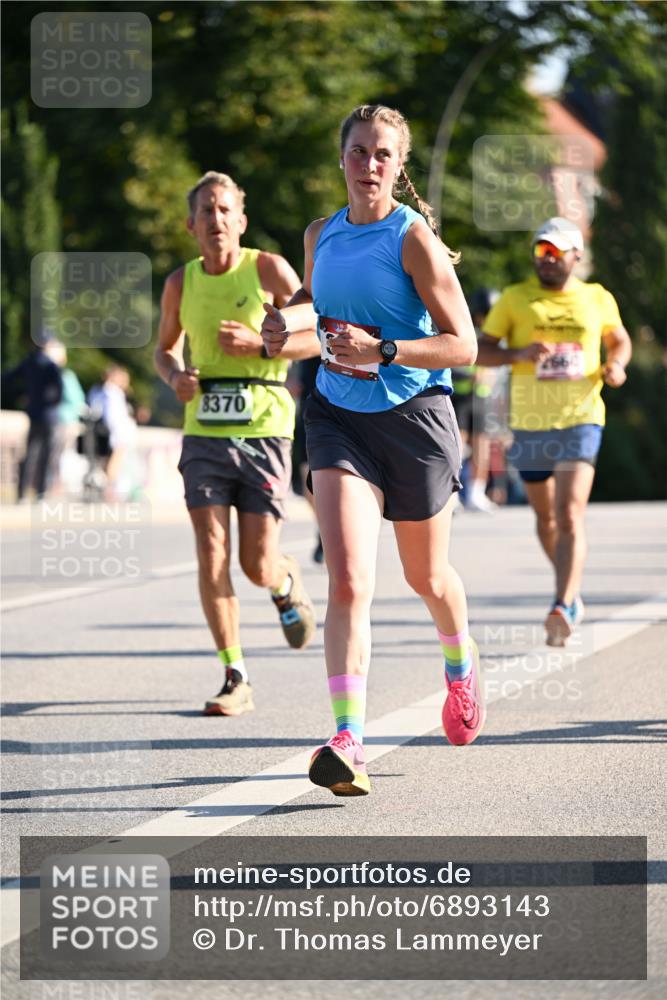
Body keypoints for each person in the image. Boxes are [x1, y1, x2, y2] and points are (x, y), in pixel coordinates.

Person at [262, 105, 482, 797]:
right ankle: (348, 737)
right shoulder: (320, 234)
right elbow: (317, 322)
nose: (368, 166)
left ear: (398, 165)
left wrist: (384, 349)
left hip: (415, 416)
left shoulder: (409, 237)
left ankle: (459, 662)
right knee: (351, 579)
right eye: (357, 152)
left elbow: (463, 346)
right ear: (341, 158)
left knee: (426, 579)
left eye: (382, 154)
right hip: (337, 417)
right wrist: (280, 332)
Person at [154, 171, 319, 717]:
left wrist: (261, 344)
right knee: (210, 552)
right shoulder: (181, 282)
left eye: (225, 210)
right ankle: (235, 674)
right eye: (206, 211)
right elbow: (164, 350)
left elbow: (315, 328)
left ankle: (283, 580)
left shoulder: (267, 268)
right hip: (203, 430)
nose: (216, 219)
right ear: (191, 224)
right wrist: (174, 376)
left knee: (255, 563)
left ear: (241, 221)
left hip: (265, 425)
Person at [477, 217, 632, 646]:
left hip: (581, 417)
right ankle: (572, 588)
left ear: (576, 256)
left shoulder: (597, 298)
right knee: (545, 518)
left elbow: (619, 340)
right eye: (540, 251)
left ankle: (562, 603)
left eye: (555, 252)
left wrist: (616, 363)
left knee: (568, 514)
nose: (546, 259)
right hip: (529, 423)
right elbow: (482, 353)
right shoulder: (514, 298)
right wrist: (518, 353)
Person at [451, 288, 500, 512]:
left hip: (481, 397)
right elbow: (449, 362)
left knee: (483, 446)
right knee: (457, 447)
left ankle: (476, 493)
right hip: (459, 396)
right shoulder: (462, 328)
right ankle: (452, 495)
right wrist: (469, 375)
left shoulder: (491, 335)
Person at [2, 339, 63, 501]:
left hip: (34, 413)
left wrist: (22, 395)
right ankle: (40, 493)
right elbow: (58, 392)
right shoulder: (51, 366)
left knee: (30, 454)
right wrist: (49, 403)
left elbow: (7, 379)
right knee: (46, 455)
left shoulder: (29, 362)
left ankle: (21, 493)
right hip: (48, 415)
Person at [88, 365, 137, 500]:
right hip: (116, 433)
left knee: (108, 463)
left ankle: (108, 490)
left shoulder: (97, 391)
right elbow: (113, 417)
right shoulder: (112, 393)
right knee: (114, 463)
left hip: (103, 432)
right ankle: (110, 491)